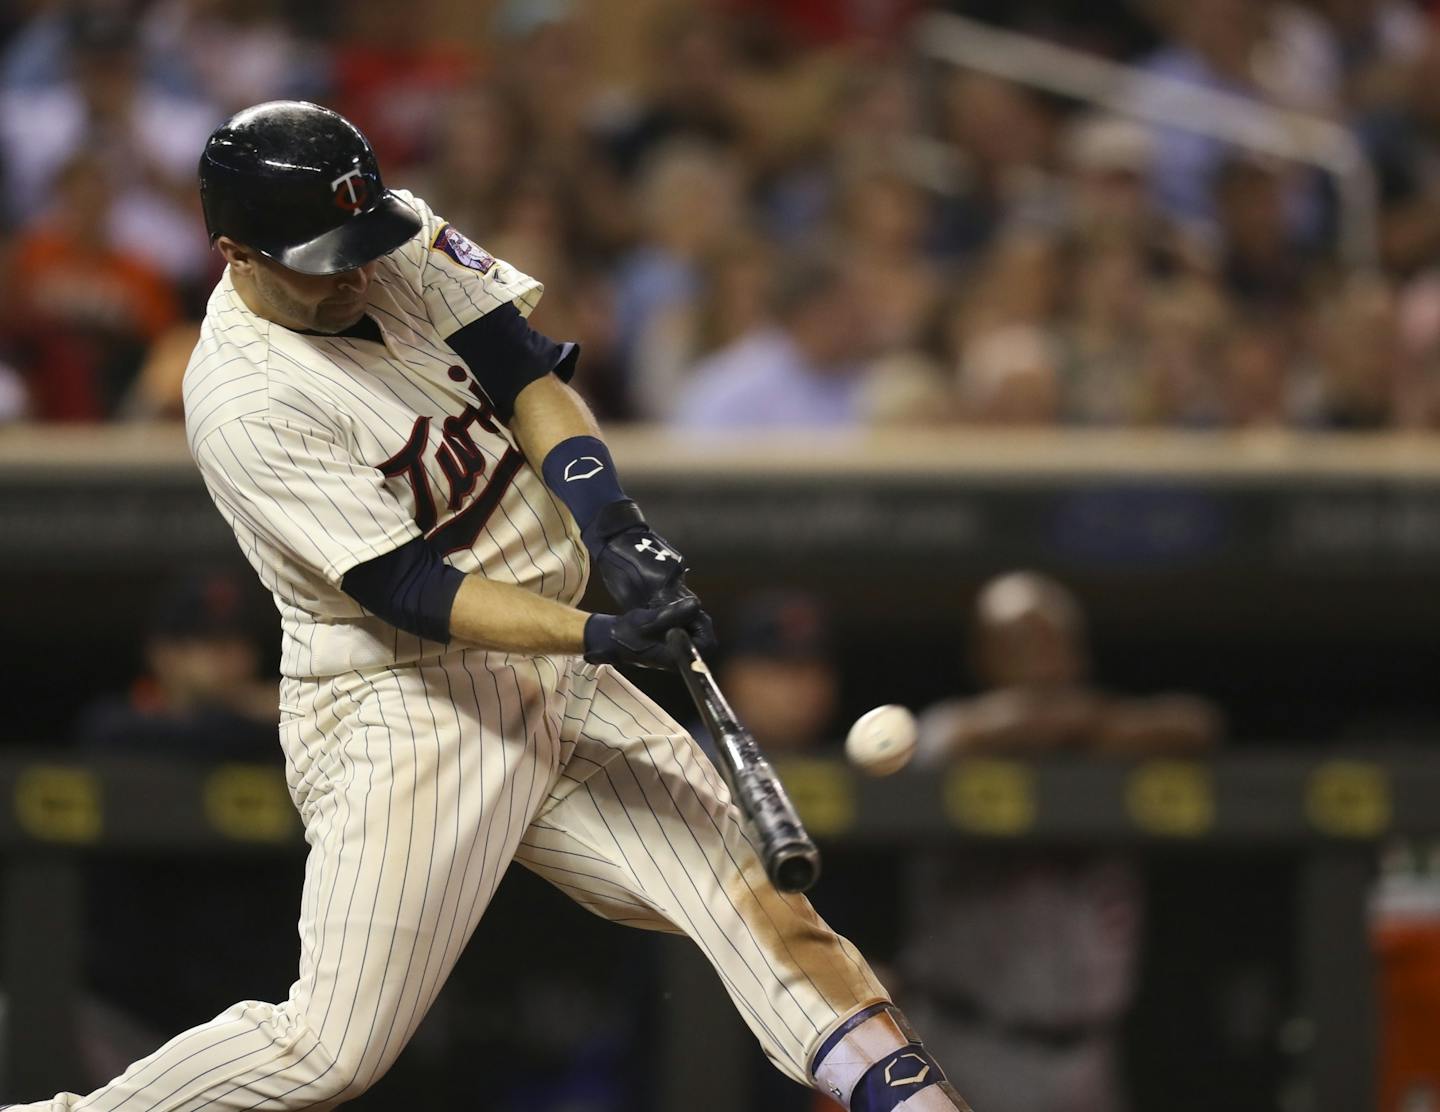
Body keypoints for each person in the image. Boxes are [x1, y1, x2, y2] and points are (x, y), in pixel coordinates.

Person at [3, 101, 971, 1112]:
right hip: (405, 703)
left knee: (751, 887)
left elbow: (523, 372)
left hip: (548, 664)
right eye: (321, 259)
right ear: (235, 251)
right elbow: (412, 591)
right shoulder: (244, 398)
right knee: (328, 1050)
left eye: (360, 242)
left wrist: (615, 526)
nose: (355, 272)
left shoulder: (394, 236)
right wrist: (602, 631)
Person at [903, 572, 1220, 1112]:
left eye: (1052, 641)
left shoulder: (1115, 747)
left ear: (1079, 653)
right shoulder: (952, 736)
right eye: (1017, 643)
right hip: (966, 1041)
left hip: (1087, 1057)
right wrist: (1069, 724)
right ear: (984, 657)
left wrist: (1082, 727)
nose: (1039, 659)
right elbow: (956, 737)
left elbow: (1196, 724)